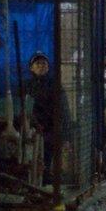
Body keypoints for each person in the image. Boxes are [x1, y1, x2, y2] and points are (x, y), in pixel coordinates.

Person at [26, 52, 68, 182]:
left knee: (45, 159)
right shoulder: (26, 86)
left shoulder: (54, 85)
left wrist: (63, 133)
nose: (41, 66)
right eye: (38, 63)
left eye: (44, 63)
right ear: (31, 68)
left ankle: (44, 183)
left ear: (48, 67)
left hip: (49, 131)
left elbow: (63, 110)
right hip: (30, 130)